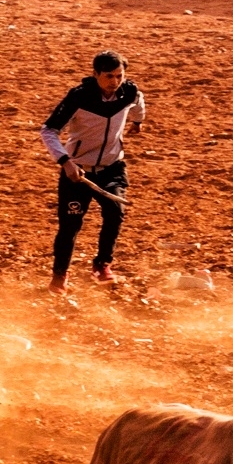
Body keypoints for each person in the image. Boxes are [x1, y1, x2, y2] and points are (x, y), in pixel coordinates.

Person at [40, 50, 147, 292]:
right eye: (109, 76)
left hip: (112, 166)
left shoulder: (128, 91)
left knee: (115, 211)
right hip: (77, 171)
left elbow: (138, 103)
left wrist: (138, 123)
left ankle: (102, 265)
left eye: (119, 75)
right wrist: (66, 162)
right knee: (70, 226)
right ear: (95, 74)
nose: (115, 81)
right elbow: (48, 130)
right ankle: (59, 277)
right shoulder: (79, 97)